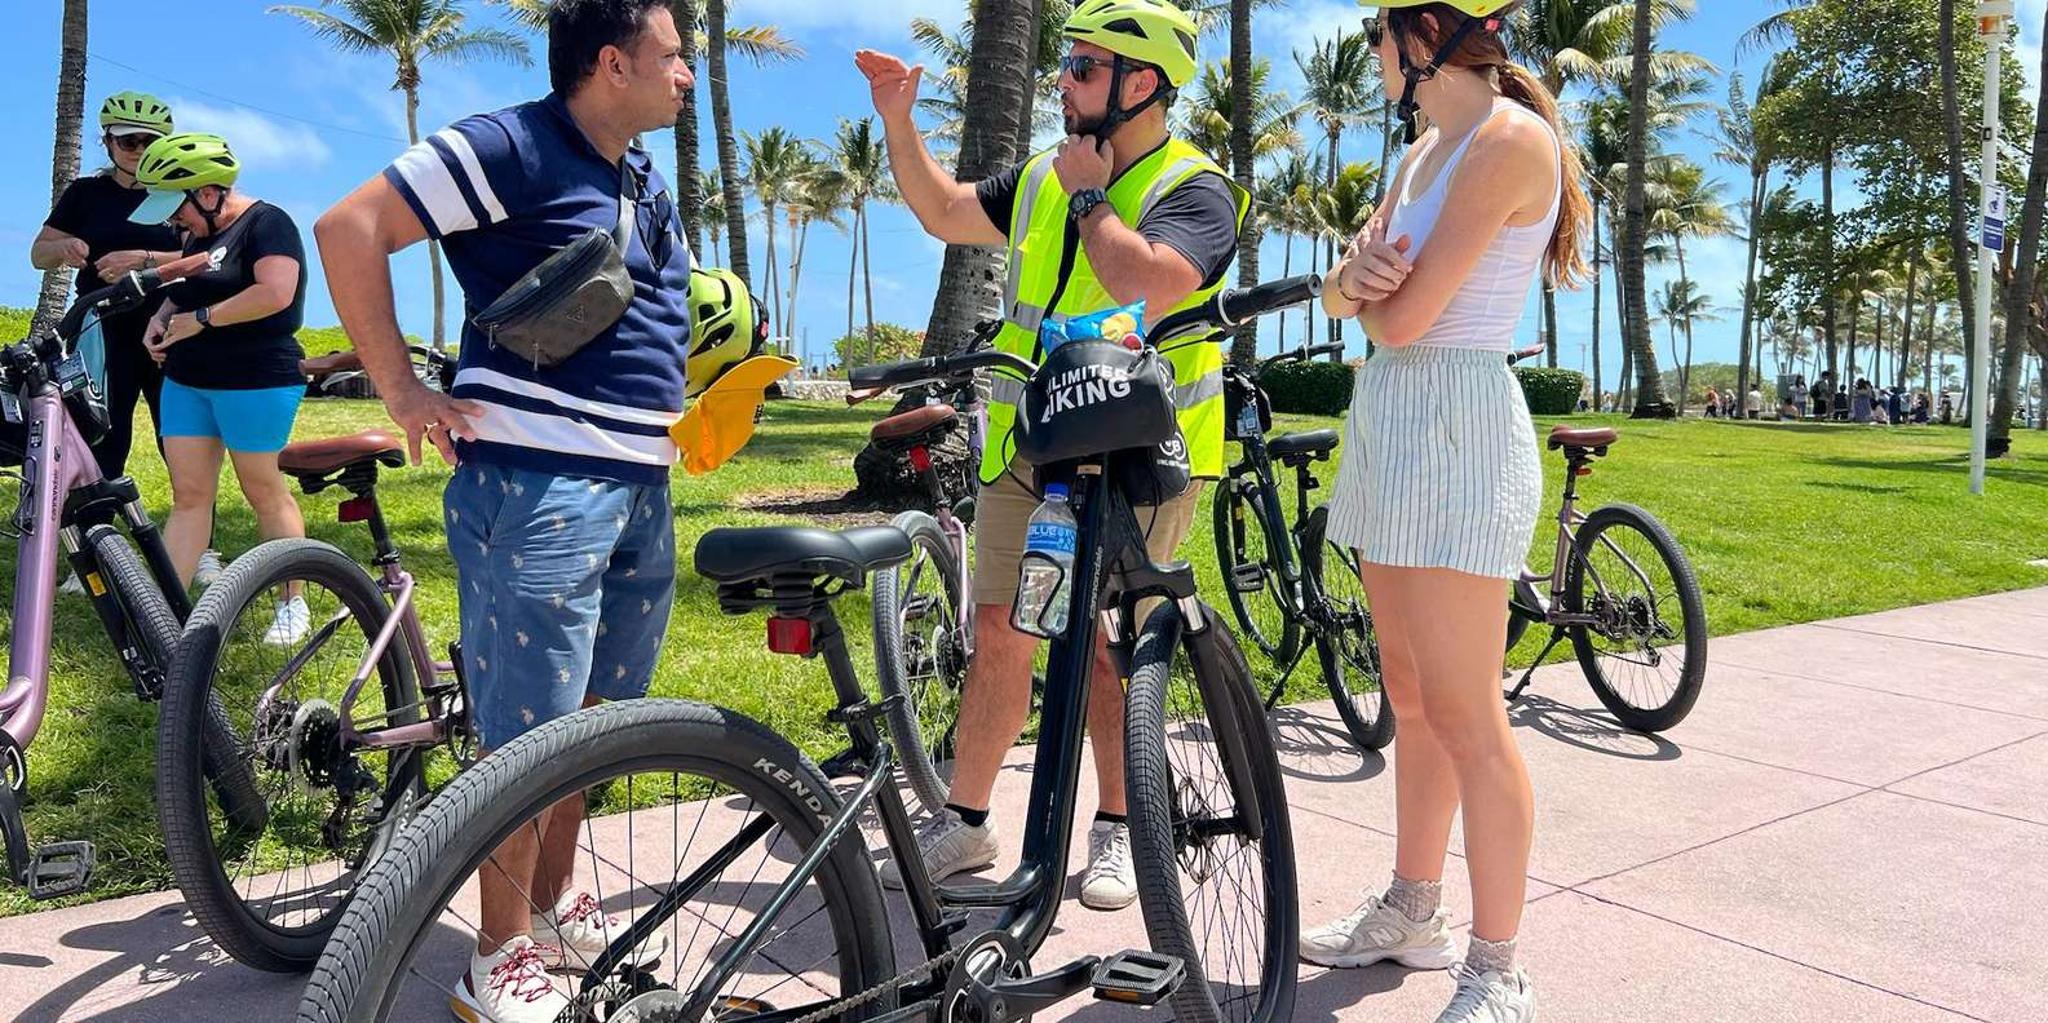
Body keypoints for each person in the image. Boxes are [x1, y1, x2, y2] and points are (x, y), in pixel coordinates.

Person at [316, 2, 698, 1018]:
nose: (688, 75)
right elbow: (349, 227)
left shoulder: (636, 173)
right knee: (525, 734)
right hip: (537, 483)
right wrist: (400, 391)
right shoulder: (511, 143)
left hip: (638, 486)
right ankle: (496, 957)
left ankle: (545, 901)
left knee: (592, 722)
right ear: (611, 63)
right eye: (673, 58)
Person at [854, 0, 1245, 913]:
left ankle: (1116, 828)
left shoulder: (1196, 187)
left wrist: (1089, 195)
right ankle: (968, 817)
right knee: (1000, 632)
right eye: (1065, 64)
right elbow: (947, 212)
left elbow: (1145, 280)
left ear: (1139, 84)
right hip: (1027, 447)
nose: (1060, 80)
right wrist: (900, 122)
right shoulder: (1039, 177)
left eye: (1080, 66)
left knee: (1106, 648)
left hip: (1138, 455)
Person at [1307, 2, 1587, 1018]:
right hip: (1390, 415)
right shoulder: (1424, 152)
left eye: (1376, 38)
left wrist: (1357, 292)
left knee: (1468, 713)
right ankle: (1412, 912)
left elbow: (1405, 313)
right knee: (1408, 690)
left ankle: (1497, 966)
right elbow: (1354, 299)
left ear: (1419, 38)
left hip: (1460, 421)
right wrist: (1351, 289)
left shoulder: (1511, 141)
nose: (1372, 58)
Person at [128, 133, 308, 636]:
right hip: (188, 380)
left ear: (208, 194)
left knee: (263, 489)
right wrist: (162, 316)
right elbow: (186, 287)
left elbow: (275, 293)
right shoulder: (197, 233)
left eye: (176, 208)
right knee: (189, 496)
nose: (173, 222)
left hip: (255, 380)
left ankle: (291, 605)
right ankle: (162, 613)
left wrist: (204, 319)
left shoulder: (268, 224)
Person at [31, 93, 191, 480]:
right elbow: (39, 254)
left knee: (181, 440)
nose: (138, 149)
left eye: (148, 141)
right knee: (103, 434)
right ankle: (95, 526)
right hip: (100, 331)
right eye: (127, 140)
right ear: (108, 142)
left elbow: (208, 257)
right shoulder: (85, 194)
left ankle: (194, 529)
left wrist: (143, 259)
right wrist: (63, 247)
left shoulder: (179, 196)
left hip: (169, 327)